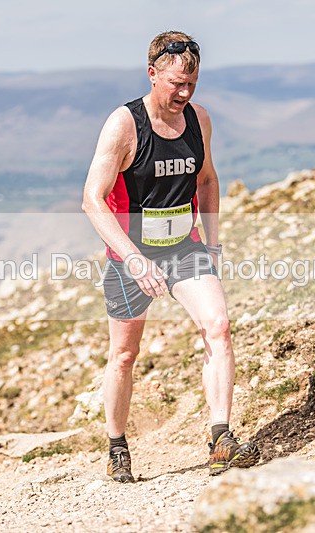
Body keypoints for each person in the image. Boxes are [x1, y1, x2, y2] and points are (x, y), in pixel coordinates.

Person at [82, 30, 259, 482]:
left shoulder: (199, 119)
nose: (184, 93)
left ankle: (221, 437)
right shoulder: (124, 125)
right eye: (176, 83)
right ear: (152, 73)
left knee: (217, 326)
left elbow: (207, 180)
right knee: (124, 353)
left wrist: (213, 244)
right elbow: (92, 199)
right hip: (131, 254)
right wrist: (133, 259)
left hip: (185, 247)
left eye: (192, 84)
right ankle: (117, 447)